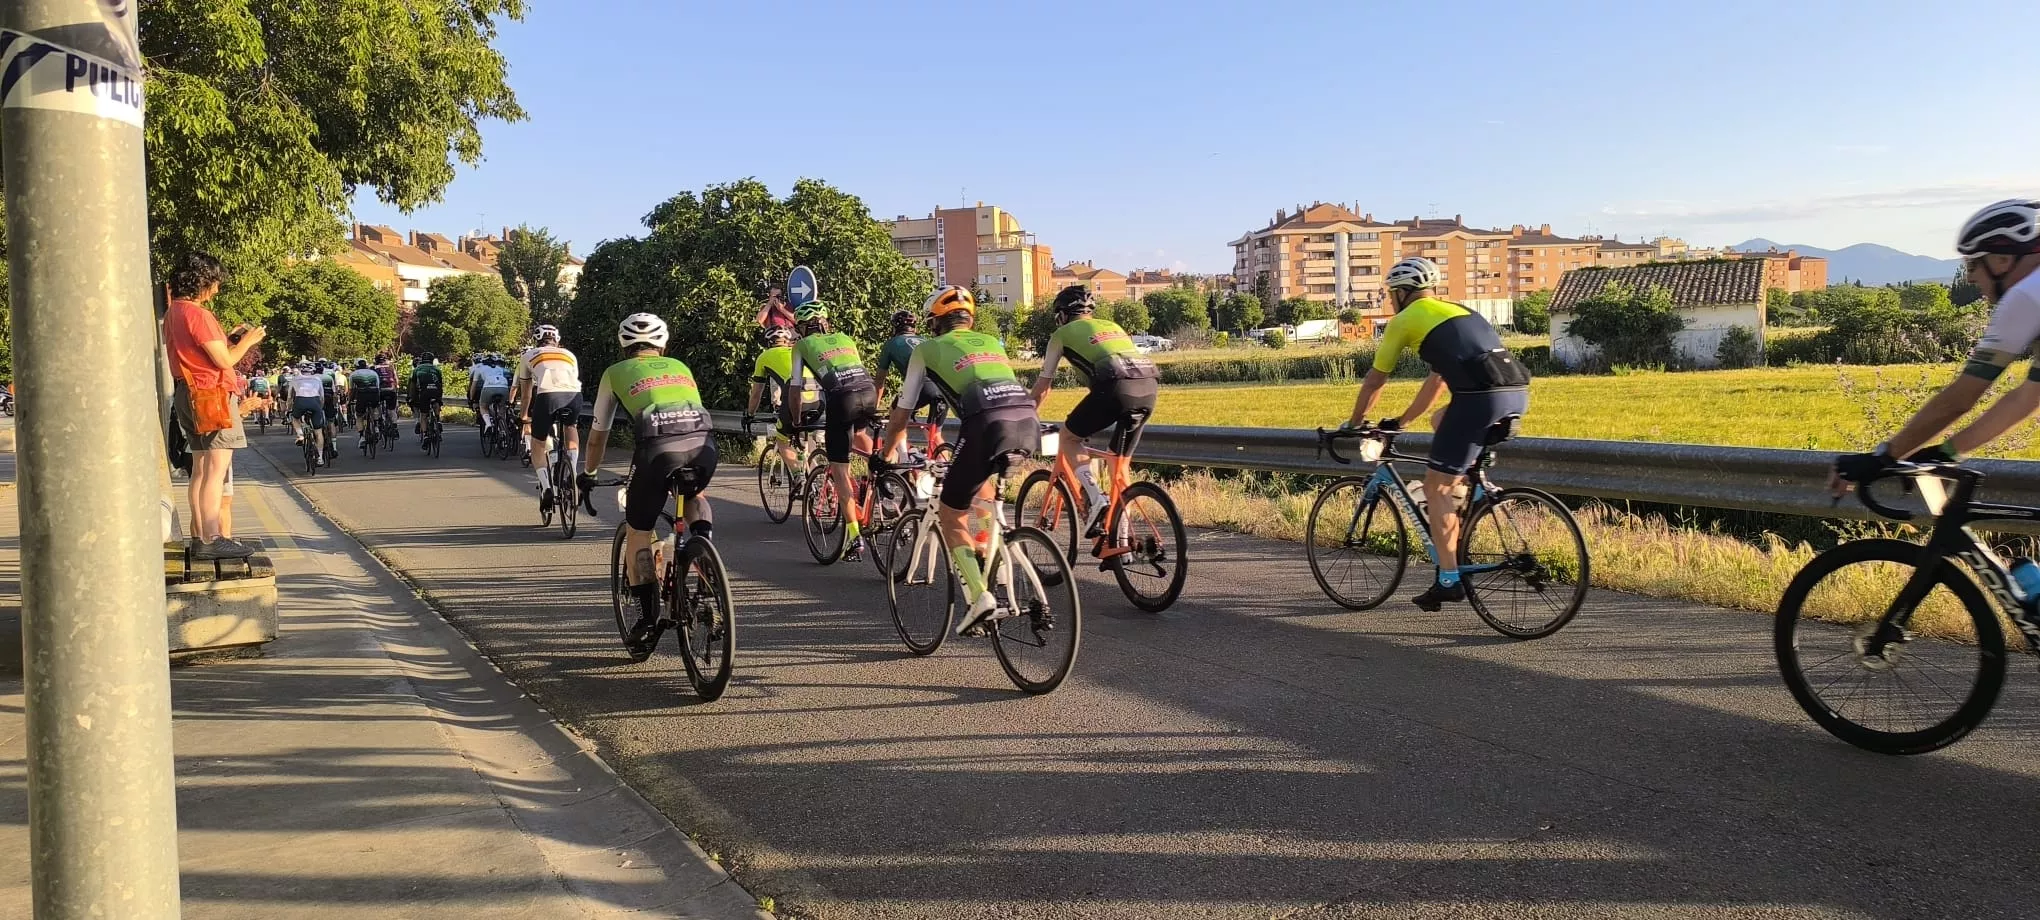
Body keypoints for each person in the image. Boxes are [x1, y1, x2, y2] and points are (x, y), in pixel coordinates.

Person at [1342, 256, 1530, 611]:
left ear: (1400, 293)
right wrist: (1404, 421)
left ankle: (1448, 579)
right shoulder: (1457, 311)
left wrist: (1355, 422)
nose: (1390, 299)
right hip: (1515, 391)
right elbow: (1439, 379)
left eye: (1390, 294)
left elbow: (1376, 380)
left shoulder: (1404, 320)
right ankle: (1470, 491)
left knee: (1434, 486)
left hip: (1479, 399)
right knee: (1440, 421)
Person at [1833, 199, 2040, 485]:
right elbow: (2027, 396)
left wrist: (1884, 457)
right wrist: (1948, 452)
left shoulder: (2027, 295)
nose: (1969, 278)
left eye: (1972, 264)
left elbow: (1962, 397)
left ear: (2002, 259)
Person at [877, 286, 1039, 634]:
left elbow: (902, 414)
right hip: (1027, 420)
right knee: (984, 497)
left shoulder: (926, 349)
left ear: (934, 323)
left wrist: (886, 455)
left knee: (950, 513)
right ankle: (984, 554)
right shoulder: (992, 342)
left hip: (985, 423)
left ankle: (980, 596)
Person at [578, 313, 717, 652]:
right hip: (703, 445)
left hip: (657, 451)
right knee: (696, 495)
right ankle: (705, 555)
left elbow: (598, 437)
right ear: (662, 344)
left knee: (638, 529)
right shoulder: (680, 366)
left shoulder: (614, 373)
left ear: (625, 344)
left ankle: (646, 616)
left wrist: (590, 474)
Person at [1028, 285, 1159, 536]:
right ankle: (1121, 539)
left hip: (1114, 388)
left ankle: (1094, 496)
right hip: (1149, 389)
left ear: (1062, 315)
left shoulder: (1061, 334)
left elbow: (1043, 387)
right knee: (1119, 468)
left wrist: (1026, 415)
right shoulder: (1113, 326)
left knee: (1068, 436)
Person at [163, 252, 263, 559]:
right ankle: (212, 536)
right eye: (214, 283)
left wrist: (229, 339)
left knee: (201, 468)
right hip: (213, 397)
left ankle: (200, 536)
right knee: (216, 471)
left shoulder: (174, 313)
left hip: (188, 393)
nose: (216, 290)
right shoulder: (198, 314)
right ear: (202, 282)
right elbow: (225, 361)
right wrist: (249, 341)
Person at [786, 300, 879, 560]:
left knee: (839, 468)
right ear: (825, 323)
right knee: (860, 435)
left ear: (802, 328)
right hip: (869, 393)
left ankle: (853, 536)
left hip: (842, 398)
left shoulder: (801, 346)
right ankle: (882, 484)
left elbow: (795, 390)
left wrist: (796, 421)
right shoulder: (845, 339)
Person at [515, 324, 583, 507]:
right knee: (571, 427)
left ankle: (546, 488)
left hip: (547, 397)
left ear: (537, 340)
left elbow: (527, 393)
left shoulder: (528, 355)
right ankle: (573, 472)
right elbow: (573, 380)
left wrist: (524, 417)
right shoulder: (569, 354)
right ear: (557, 339)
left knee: (538, 444)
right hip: (574, 396)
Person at [876, 308, 949, 459]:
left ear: (895, 327)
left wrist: (874, 407)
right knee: (935, 436)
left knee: (895, 416)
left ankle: (904, 458)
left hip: (919, 386)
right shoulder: (927, 341)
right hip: (943, 387)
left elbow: (879, 382)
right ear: (914, 328)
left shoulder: (892, 343)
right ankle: (945, 473)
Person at [745, 325, 820, 471]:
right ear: (787, 340)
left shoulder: (764, 357)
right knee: (806, 434)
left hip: (795, 394)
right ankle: (817, 475)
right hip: (818, 394)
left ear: (768, 343)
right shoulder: (798, 351)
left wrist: (750, 414)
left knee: (782, 438)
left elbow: (756, 394)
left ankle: (798, 476)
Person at [285, 360, 329, 463]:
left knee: (295, 418)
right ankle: (320, 458)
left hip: (300, 401)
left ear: (301, 369)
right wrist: (320, 408)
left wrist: (289, 408)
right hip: (315, 401)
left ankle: (300, 435)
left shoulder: (295, 379)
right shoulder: (317, 379)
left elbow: (290, 397)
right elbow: (322, 397)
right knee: (318, 432)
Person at [469, 351, 513, 437]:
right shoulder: (499, 368)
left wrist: (471, 398)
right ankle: (503, 430)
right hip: (503, 387)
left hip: (488, 387)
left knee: (483, 406)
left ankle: (488, 424)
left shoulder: (479, 369)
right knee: (502, 408)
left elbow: (473, 386)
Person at [347, 358, 382, 447]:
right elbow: (378, 387)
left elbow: (351, 390)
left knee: (359, 415)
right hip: (374, 394)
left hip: (362, 395)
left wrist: (349, 401)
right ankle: (377, 427)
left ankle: (362, 437)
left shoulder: (353, 374)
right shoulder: (373, 373)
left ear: (356, 366)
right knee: (375, 409)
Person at [409, 354, 445, 436]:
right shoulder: (437, 369)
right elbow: (440, 384)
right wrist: (440, 398)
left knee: (423, 415)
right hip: (435, 391)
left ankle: (425, 435)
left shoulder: (416, 369)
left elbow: (412, 386)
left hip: (424, 392)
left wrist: (412, 397)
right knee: (436, 402)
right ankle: (438, 420)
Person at [374, 353, 400, 441]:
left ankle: (377, 422)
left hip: (379, 391)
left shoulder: (374, 368)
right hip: (391, 389)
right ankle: (395, 428)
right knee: (392, 410)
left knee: (376, 406)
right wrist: (396, 388)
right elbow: (396, 379)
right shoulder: (391, 367)